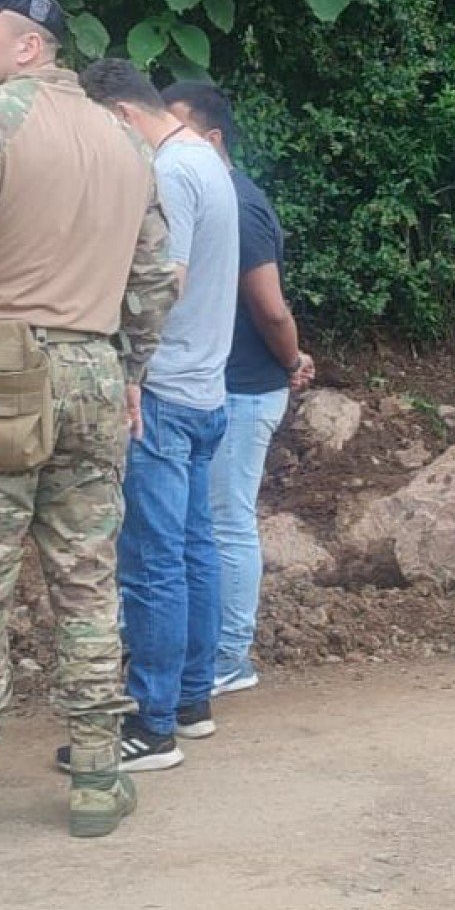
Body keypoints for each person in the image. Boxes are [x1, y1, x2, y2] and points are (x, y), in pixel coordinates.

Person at [0, 0, 177, 843]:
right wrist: (130, 365)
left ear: (30, 46)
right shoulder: (125, 140)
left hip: (1, 370)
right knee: (89, 582)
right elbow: (158, 276)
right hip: (95, 367)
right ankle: (96, 776)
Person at [76, 59, 238, 769]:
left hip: (164, 391)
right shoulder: (209, 160)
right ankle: (192, 697)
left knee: (151, 563)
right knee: (193, 549)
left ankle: (151, 721)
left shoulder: (168, 170)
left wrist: (128, 365)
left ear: (120, 118)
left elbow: (164, 281)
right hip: (205, 388)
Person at [161, 82, 315, 697]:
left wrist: (293, 357)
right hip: (219, 385)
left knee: (226, 522)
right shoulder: (206, 195)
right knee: (207, 522)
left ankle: (230, 654)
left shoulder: (238, 205)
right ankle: (211, 649)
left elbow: (270, 308)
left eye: (178, 130)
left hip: (244, 388)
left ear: (213, 138)